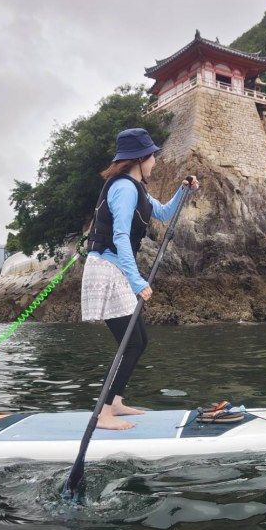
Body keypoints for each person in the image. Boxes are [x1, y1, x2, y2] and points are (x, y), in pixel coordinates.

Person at [81, 128, 199, 430]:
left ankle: (116, 402)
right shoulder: (123, 188)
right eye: (153, 155)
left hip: (116, 268)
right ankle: (103, 414)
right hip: (106, 270)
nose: (156, 161)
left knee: (138, 341)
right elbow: (120, 235)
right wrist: (138, 282)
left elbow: (163, 211)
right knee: (131, 343)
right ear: (140, 158)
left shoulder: (137, 188)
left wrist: (184, 190)